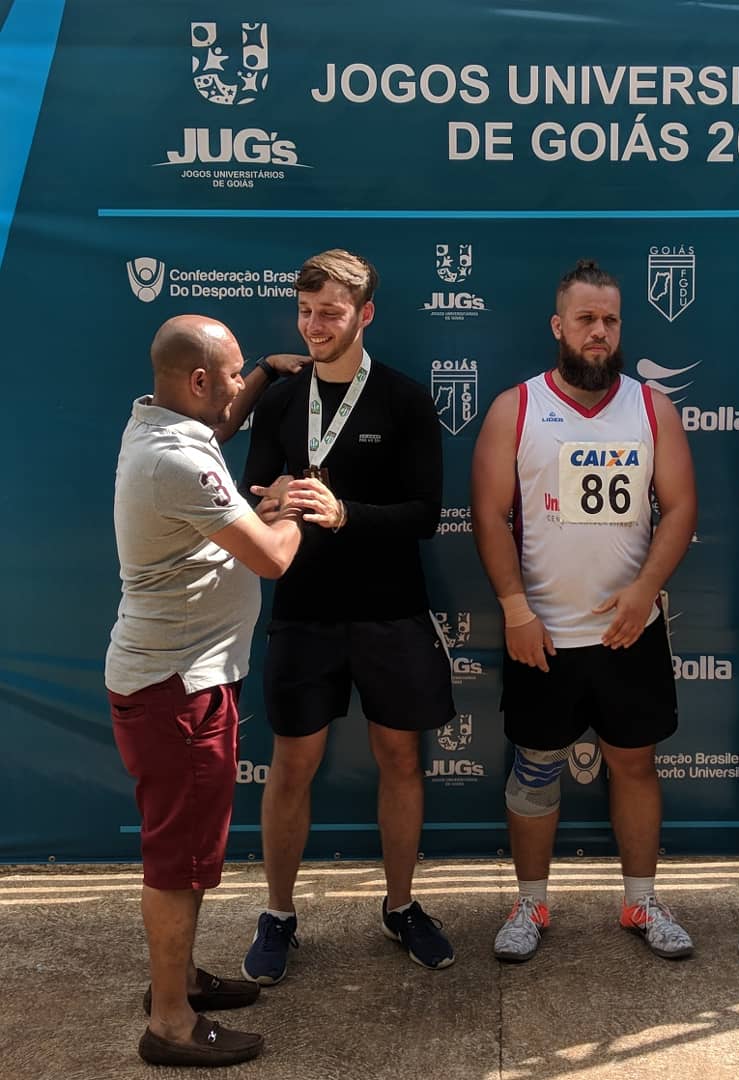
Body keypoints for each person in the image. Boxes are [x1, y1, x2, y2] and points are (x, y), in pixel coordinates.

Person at [471, 259, 698, 963]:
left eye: (611, 320)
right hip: (545, 635)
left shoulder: (651, 406)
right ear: (558, 326)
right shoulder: (517, 406)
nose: (600, 332)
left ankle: (641, 901)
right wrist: (514, 608)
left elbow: (682, 506)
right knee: (535, 768)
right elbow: (488, 511)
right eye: (586, 320)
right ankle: (531, 904)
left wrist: (642, 591)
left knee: (634, 767)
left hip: (629, 633)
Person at [239, 249, 456, 982]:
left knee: (400, 759)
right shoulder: (277, 401)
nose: (314, 325)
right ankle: (278, 914)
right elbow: (249, 496)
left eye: (329, 312)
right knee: (292, 763)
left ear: (365, 313)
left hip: (391, 611)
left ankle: (399, 906)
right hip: (303, 611)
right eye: (305, 311)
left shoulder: (404, 399)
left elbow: (426, 515)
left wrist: (346, 513)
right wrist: (268, 501)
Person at [105, 316, 306, 1067]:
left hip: (176, 680)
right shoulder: (177, 462)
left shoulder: (157, 427)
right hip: (176, 692)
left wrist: (255, 380)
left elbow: (216, 427)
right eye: (231, 373)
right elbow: (272, 559)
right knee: (178, 863)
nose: (236, 387)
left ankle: (178, 981)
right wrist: (287, 505)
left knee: (182, 852)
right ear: (196, 382)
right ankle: (171, 1024)